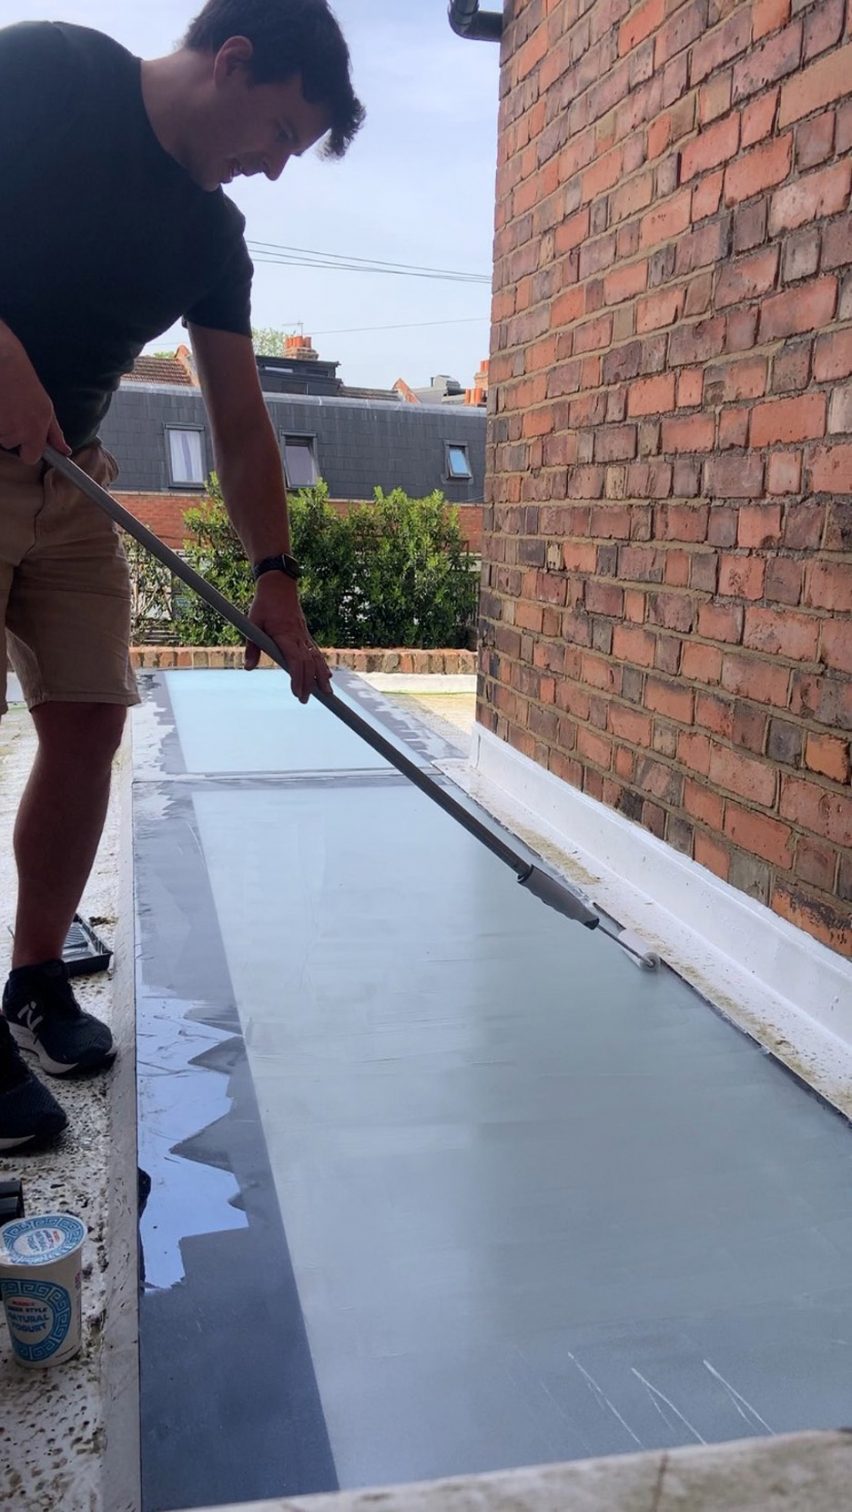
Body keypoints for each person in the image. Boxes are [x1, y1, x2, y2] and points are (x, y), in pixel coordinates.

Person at [0, 0, 365, 1150]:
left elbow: (244, 425)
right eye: (275, 136)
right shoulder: (52, 70)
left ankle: (35, 973)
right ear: (235, 61)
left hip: (76, 481)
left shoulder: (212, 239)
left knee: (91, 723)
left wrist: (277, 581)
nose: (267, 168)